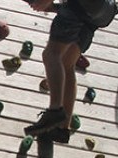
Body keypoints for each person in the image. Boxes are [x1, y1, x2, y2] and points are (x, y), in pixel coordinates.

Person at [24, 0, 116, 143]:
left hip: (80, 6)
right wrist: (54, 7)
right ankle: (61, 129)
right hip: (103, 11)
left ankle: (55, 110)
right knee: (67, 63)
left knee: (51, 55)